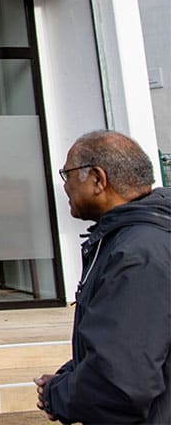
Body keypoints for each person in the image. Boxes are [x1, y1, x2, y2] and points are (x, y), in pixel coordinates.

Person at [34, 130, 170, 424]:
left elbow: (121, 382)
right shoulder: (133, 239)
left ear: (98, 179)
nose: (65, 185)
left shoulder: (137, 254)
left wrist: (57, 394)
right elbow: (130, 344)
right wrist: (71, 375)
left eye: (66, 173)